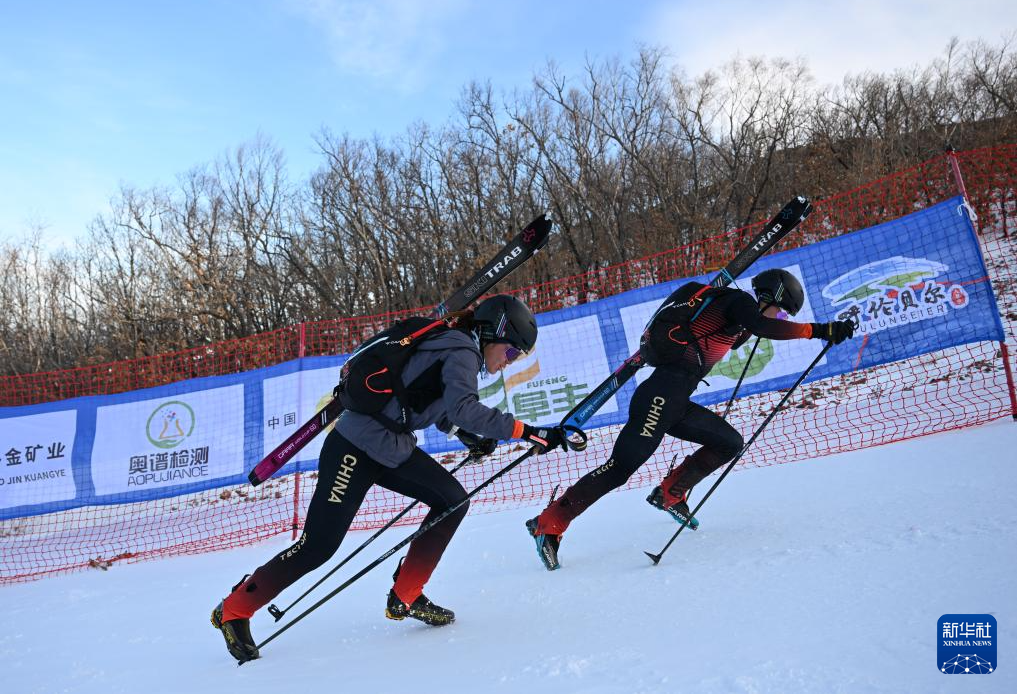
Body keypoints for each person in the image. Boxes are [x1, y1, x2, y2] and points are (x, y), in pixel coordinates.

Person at [212, 295, 578, 662]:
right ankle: (235, 608)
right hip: (354, 447)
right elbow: (464, 408)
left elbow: (424, 397)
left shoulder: (453, 344)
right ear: (493, 333)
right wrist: (529, 432)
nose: (508, 363)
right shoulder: (463, 350)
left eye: (518, 358)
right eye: (512, 352)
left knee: (452, 501)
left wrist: (466, 435)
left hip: (390, 446)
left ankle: (406, 596)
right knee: (317, 546)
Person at [525, 269, 855, 570]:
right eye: (782, 311)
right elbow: (763, 325)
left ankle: (670, 493)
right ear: (771, 298)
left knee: (729, 443)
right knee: (620, 468)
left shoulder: (737, 317)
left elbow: (751, 328)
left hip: (676, 401)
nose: (781, 318)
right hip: (658, 397)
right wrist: (819, 330)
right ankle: (550, 522)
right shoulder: (739, 302)